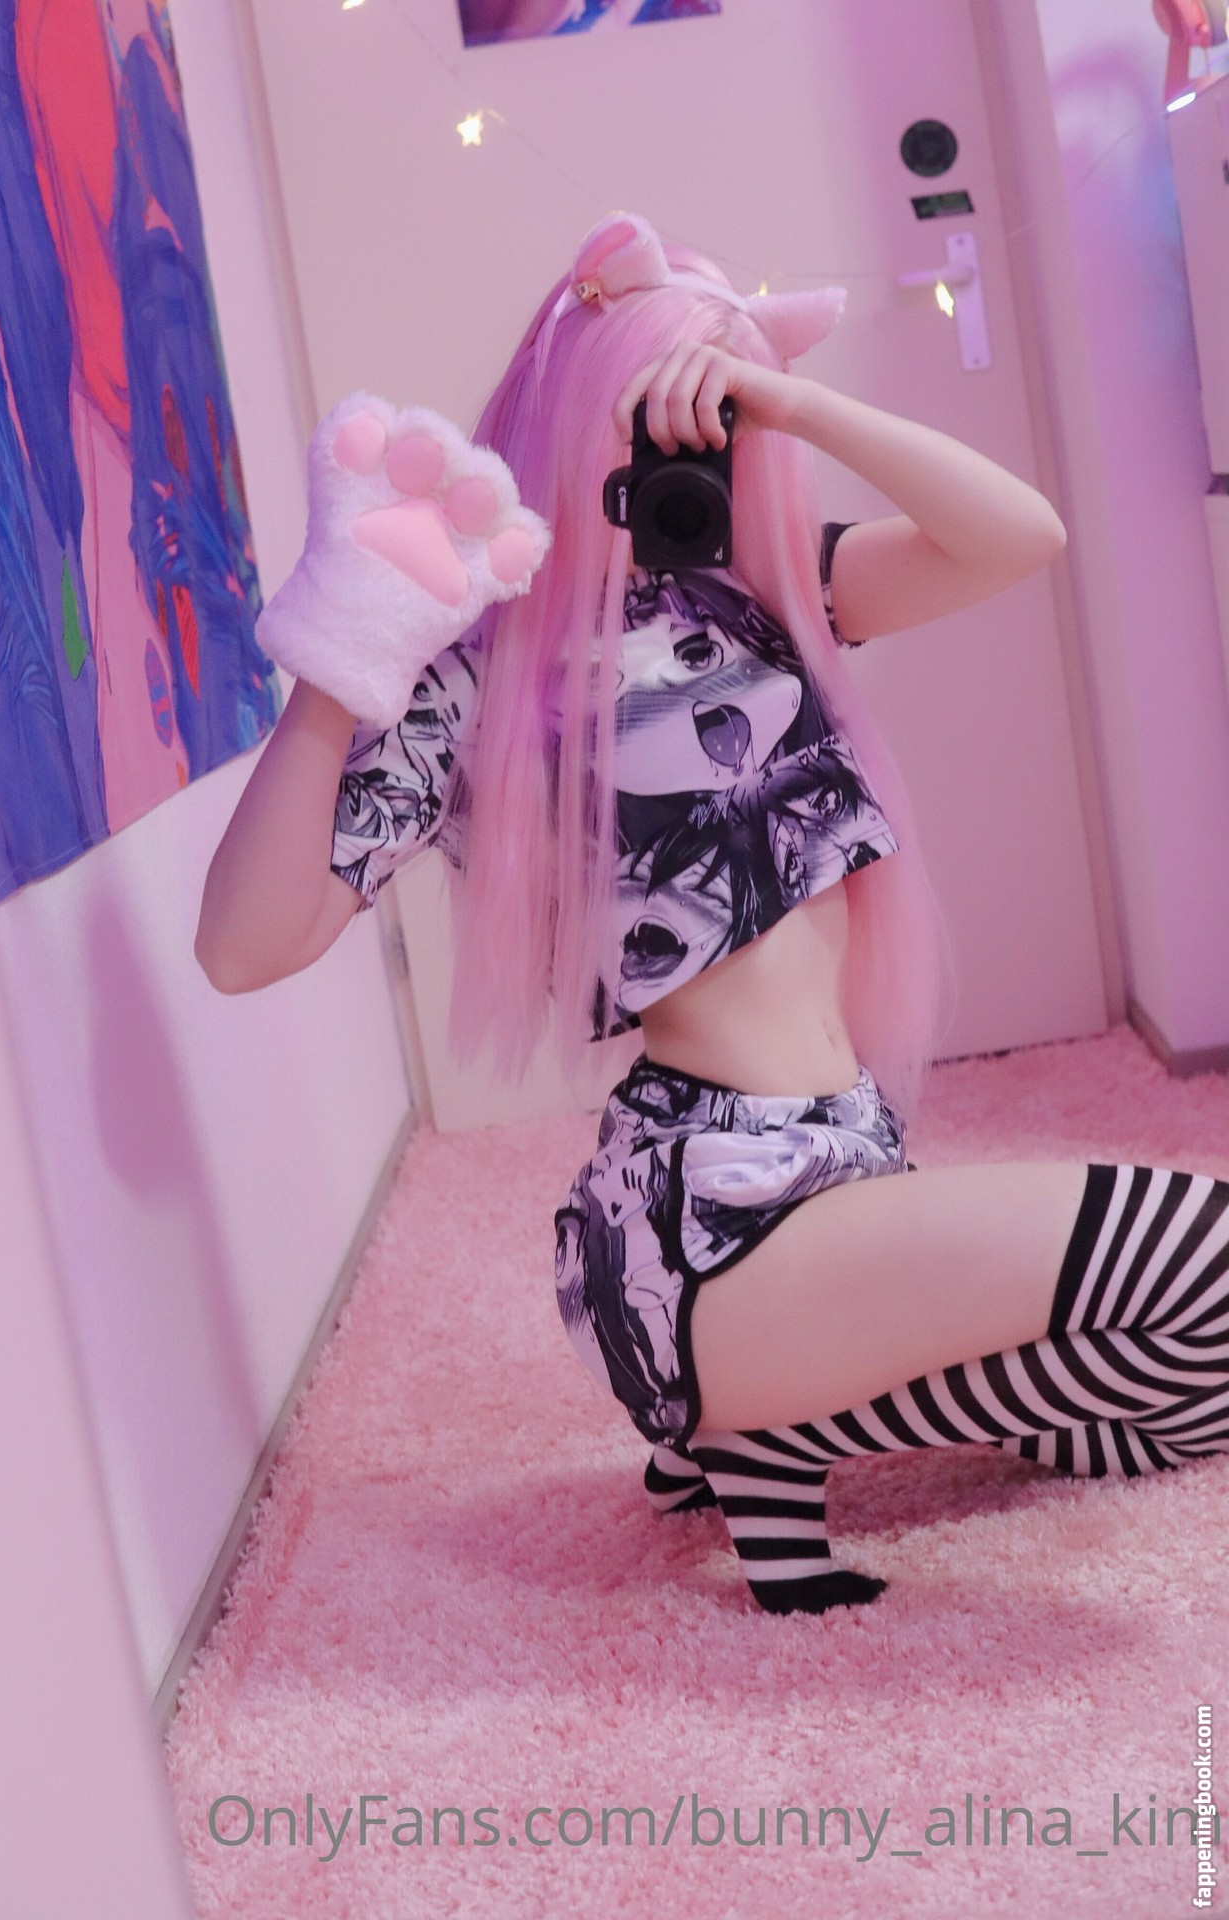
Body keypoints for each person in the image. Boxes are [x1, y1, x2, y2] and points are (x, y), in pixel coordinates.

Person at [196, 214, 1229, 1615]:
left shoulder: (768, 605)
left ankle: (769, 1434)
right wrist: (340, 660)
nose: (690, 451)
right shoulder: (477, 682)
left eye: (715, 418)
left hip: (850, 1169)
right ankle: (759, 1423)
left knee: (1184, 1385)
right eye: (655, 413)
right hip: (703, 1224)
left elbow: (1018, 536)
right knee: (1202, 1256)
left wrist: (789, 402)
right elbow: (245, 946)